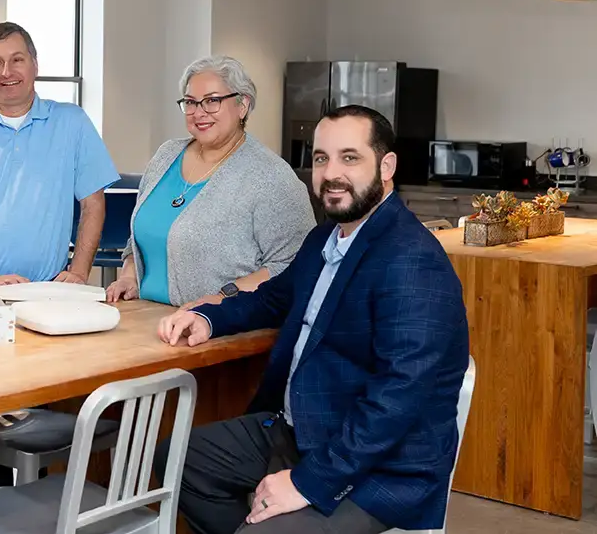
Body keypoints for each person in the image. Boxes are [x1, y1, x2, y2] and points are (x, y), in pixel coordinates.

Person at [155, 104, 470, 534]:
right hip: (301, 429)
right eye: (321, 158)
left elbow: (398, 398)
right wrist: (207, 319)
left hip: (380, 468)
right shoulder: (325, 238)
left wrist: (307, 484)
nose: (331, 172)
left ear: (387, 165)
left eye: (350, 157)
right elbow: (272, 299)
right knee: (176, 461)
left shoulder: (412, 259)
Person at [0, 22, 119, 289]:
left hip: (50, 289)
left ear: (34, 65)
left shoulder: (72, 123)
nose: (7, 72)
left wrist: (80, 272)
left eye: (17, 60)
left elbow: (93, 204)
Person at [106, 55, 313, 308]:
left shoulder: (270, 176)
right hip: (146, 318)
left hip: (221, 329)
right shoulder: (166, 156)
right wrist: (130, 277)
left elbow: (294, 263)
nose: (199, 112)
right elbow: (138, 231)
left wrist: (222, 299)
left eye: (212, 101)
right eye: (191, 102)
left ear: (242, 105)